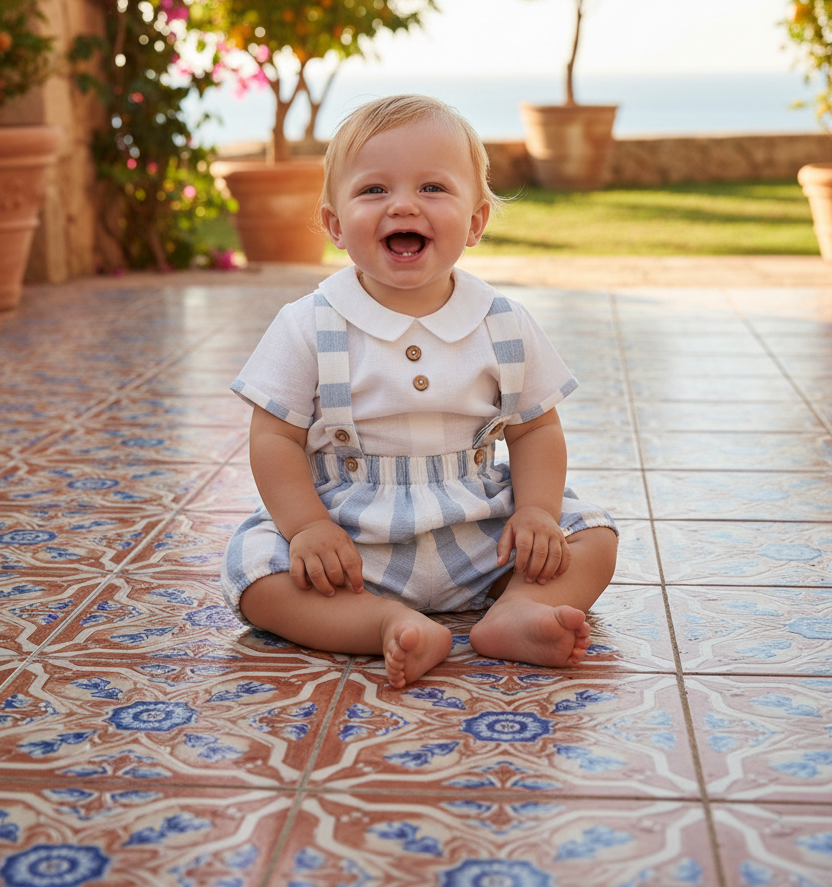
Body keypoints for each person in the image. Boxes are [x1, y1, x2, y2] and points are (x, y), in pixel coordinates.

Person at [221, 95, 618, 688]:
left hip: (479, 524)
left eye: (433, 188)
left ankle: (515, 613)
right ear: (334, 224)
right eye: (374, 190)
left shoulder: (502, 321)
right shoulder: (308, 323)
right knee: (256, 575)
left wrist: (535, 510)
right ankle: (384, 623)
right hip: (353, 539)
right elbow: (274, 436)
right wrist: (307, 527)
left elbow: (535, 428)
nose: (403, 204)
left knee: (593, 538)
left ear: (477, 220)